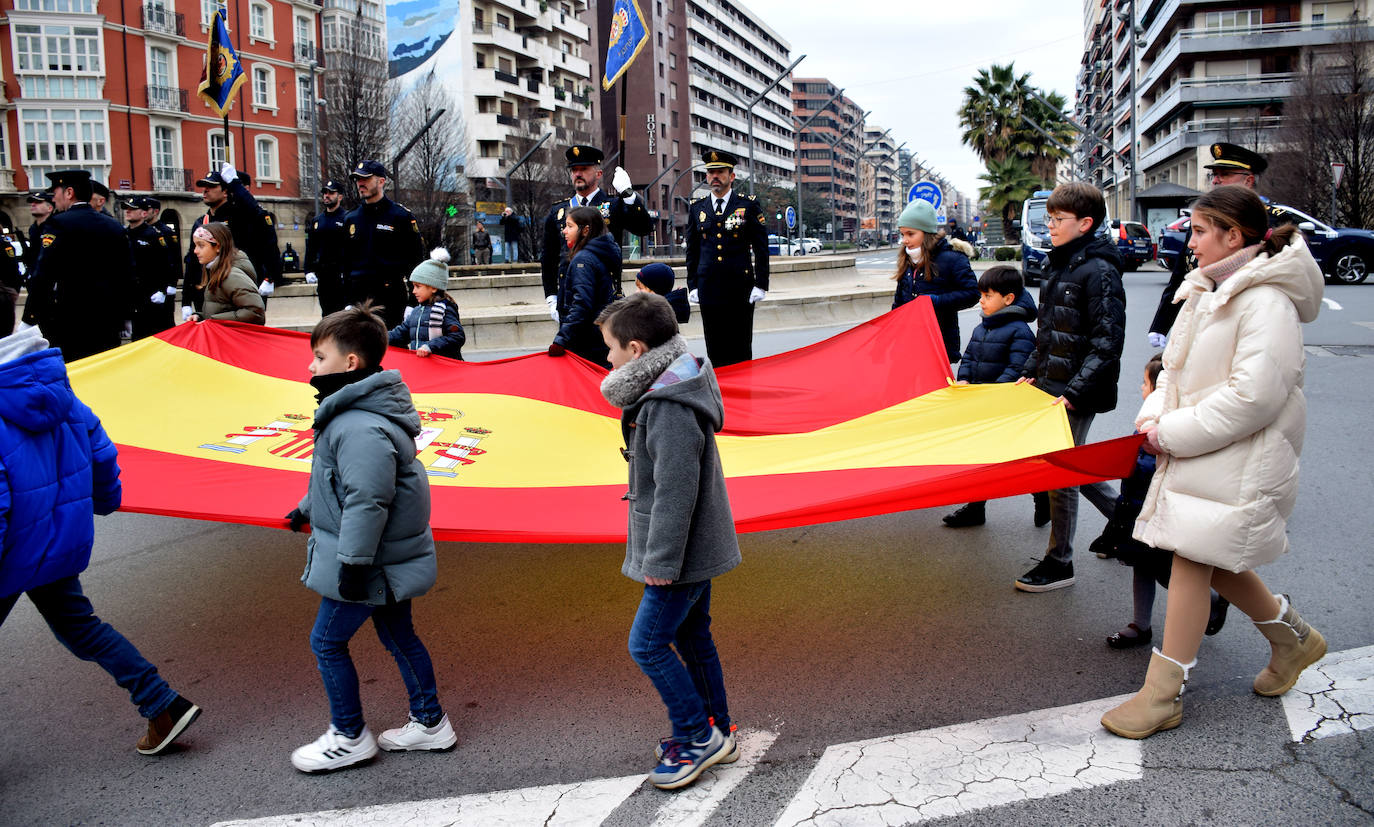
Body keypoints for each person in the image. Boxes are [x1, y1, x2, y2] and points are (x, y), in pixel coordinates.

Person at [1100, 185, 1327, 740]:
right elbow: (1173, 374)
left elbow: (1255, 398)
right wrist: (1155, 414)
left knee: (1191, 559)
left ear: (1235, 235)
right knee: (1211, 556)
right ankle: (1292, 639)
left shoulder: (1265, 300)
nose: (1189, 240)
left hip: (1237, 455)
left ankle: (1162, 694)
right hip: (1206, 451)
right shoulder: (1209, 288)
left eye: (1200, 230)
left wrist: (1168, 433)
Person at [0, 286, 202, 756]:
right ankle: (161, 703)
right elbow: (101, 453)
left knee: (79, 626)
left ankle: (162, 703)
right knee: (81, 626)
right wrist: (106, 500)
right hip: (53, 544)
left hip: (11, 552)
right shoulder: (57, 386)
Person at [284, 303, 454, 773]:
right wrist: (306, 508)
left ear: (351, 362)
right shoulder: (353, 413)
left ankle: (349, 735)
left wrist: (354, 564)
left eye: (320, 357)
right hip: (382, 557)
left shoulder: (357, 424)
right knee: (399, 636)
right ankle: (430, 723)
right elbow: (338, 484)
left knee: (326, 642)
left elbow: (367, 500)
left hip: (369, 561)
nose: (311, 366)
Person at [595, 291, 741, 791]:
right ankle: (718, 728)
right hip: (692, 547)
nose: (606, 359)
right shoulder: (675, 383)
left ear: (636, 351)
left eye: (611, 349)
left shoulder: (669, 407)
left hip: (678, 553)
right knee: (692, 636)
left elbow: (676, 493)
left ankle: (697, 737)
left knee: (648, 645)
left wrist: (660, 561)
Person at [1014, 182, 1126, 593]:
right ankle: (1126, 522)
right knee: (1068, 465)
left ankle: (1060, 561)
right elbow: (1049, 331)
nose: (1050, 227)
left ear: (1085, 223)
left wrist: (1074, 392)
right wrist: (1031, 369)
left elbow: (1107, 342)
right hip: (1051, 384)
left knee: (1062, 473)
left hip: (1077, 391)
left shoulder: (1099, 270)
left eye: (1057, 220)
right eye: (1049, 219)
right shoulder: (1058, 263)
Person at [1091, 353, 1230, 650]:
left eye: (1145, 384)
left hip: (1164, 512)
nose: (1141, 389)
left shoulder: (1171, 429)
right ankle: (1140, 625)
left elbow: (1152, 467)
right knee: (1141, 564)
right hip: (1139, 507)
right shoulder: (1143, 426)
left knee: (1169, 571)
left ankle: (1214, 600)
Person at [942, 265, 1047, 528]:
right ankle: (976, 508)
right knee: (981, 458)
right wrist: (963, 379)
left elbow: (1016, 369)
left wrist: (993, 394)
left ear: (1008, 299)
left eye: (988, 296)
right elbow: (969, 357)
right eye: (981, 295)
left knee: (1018, 458)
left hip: (1002, 406)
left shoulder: (1019, 330)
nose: (982, 300)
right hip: (982, 404)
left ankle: (1042, 494)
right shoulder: (982, 327)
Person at [1148, 142, 1267, 348]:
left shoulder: (1263, 223)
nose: (1217, 180)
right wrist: (1160, 324)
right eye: (1215, 174)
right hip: (1196, 324)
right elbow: (1180, 278)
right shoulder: (1204, 217)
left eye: (1225, 174)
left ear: (1248, 180)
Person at [22, 169, 136, 362]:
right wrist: (125, 314)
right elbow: (127, 273)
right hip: (107, 319)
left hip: (70, 319)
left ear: (69, 193)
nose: (54, 198)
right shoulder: (113, 225)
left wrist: (29, 318)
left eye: (56, 192)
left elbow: (44, 274)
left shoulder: (58, 224)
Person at [539, 145, 651, 321]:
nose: (578, 174)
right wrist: (551, 296)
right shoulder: (559, 211)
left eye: (584, 169)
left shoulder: (613, 205)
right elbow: (549, 257)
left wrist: (629, 196)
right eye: (574, 170)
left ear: (598, 174)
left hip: (604, 294)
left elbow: (644, 228)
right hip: (569, 296)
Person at [684, 149, 769, 367]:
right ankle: (721, 395)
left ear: (731, 176)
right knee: (714, 345)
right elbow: (692, 250)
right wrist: (692, 284)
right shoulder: (697, 208)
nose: (715, 177)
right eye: (711, 172)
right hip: (708, 287)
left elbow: (761, 248)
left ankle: (743, 395)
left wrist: (761, 284)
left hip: (739, 287)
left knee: (740, 346)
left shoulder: (747, 206)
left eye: (720, 172)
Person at [181, 162, 281, 319]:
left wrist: (271, 276)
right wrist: (185, 301)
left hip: (236, 286)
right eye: (203, 186)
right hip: (208, 289)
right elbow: (192, 262)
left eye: (211, 186)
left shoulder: (240, 217)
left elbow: (260, 221)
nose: (205, 190)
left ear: (225, 191)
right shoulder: (201, 222)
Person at [890, 199, 978, 362]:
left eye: (910, 234)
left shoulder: (953, 259)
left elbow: (972, 294)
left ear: (927, 233)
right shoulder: (908, 260)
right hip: (909, 344)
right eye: (903, 234)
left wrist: (937, 301)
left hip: (938, 344)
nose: (905, 240)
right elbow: (899, 302)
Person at [342, 160, 425, 329]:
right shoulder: (352, 218)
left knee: (393, 349)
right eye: (357, 179)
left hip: (390, 297)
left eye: (365, 179)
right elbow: (346, 263)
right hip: (359, 297)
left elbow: (415, 261)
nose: (360, 183)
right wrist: (348, 300)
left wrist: (412, 302)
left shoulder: (400, 216)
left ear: (381, 181)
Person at [549, 205, 621, 366]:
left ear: (586, 230)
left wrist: (561, 339)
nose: (564, 231)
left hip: (585, 341)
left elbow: (582, 303)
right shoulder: (599, 254)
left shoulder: (583, 260)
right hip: (598, 336)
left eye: (570, 226)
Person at [389, 248, 465, 360]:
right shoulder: (416, 312)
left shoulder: (445, 309)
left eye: (418, 286)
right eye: (413, 286)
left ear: (433, 287)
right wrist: (377, 337)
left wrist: (430, 346)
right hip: (423, 367)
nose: (413, 291)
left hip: (443, 368)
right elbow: (399, 334)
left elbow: (457, 336)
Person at [122, 195, 179, 340]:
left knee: (154, 332)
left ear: (143, 213)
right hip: (132, 293)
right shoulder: (124, 235)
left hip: (150, 293)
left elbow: (166, 264)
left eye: (132, 209)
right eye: (126, 209)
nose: (127, 211)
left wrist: (163, 289)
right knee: (136, 337)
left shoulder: (153, 235)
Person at [187, 222, 265, 325]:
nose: (195, 251)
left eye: (201, 246)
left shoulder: (231, 276)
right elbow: (222, 308)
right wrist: (200, 317)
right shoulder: (217, 271)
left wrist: (212, 321)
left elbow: (255, 312)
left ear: (218, 247)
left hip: (233, 338)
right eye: (195, 245)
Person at [304, 180, 348, 316]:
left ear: (339, 196)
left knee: (341, 315)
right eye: (325, 193)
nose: (326, 196)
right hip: (324, 276)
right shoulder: (317, 220)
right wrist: (308, 270)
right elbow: (311, 247)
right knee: (327, 314)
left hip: (341, 276)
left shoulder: (347, 218)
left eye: (331, 193)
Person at [25, 191, 55, 272]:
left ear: (50, 208)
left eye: (38, 202)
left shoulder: (55, 227)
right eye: (32, 202)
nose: (33, 204)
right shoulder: (33, 228)